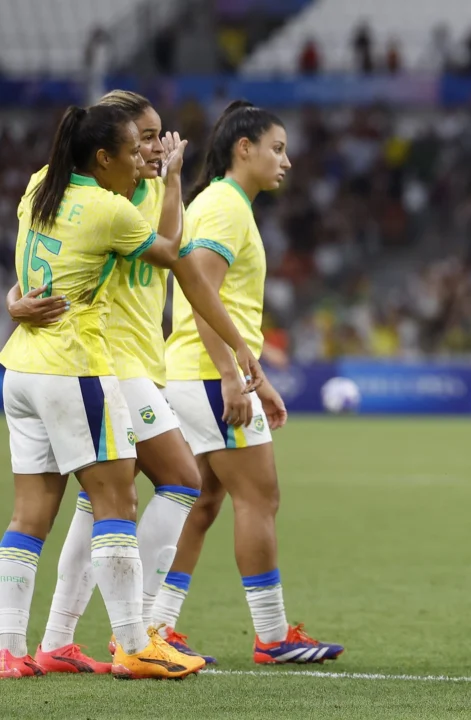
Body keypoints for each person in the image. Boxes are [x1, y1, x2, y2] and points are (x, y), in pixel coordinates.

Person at [0, 104, 259, 680]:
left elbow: (39, 261)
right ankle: (134, 639)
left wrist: (15, 302)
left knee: (35, 514)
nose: (149, 151)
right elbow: (178, 259)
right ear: (103, 153)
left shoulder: (42, 184)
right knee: (122, 499)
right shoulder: (110, 205)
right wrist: (237, 345)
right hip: (86, 365)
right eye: (138, 141)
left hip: (22, 368)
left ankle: (15, 647)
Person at [151, 100, 344, 665]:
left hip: (199, 373)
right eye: (277, 148)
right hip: (211, 377)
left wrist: (253, 378)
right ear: (245, 148)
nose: (286, 160)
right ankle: (273, 636)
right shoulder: (226, 208)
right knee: (259, 497)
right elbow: (199, 291)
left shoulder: (220, 204)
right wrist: (234, 377)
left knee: (204, 499)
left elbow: (211, 296)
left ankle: (158, 625)